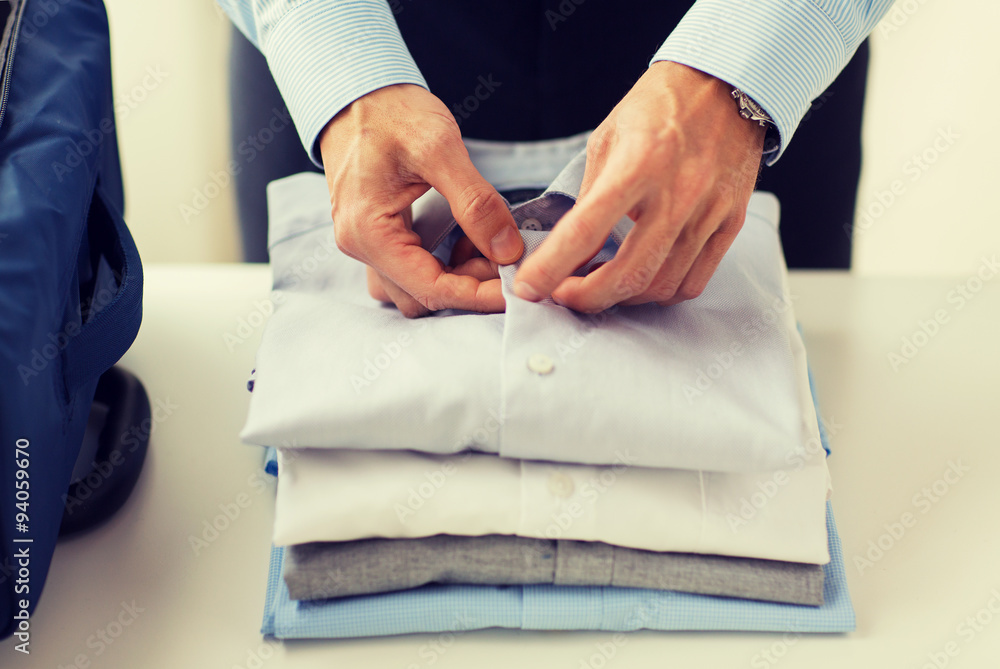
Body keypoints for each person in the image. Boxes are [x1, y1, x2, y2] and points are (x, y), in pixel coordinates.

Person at [220, 0, 894, 317]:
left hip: (759, 79)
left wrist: (744, 69)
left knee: (788, 455)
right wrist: (340, 68)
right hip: (338, 74)